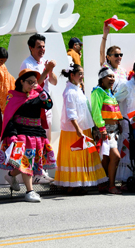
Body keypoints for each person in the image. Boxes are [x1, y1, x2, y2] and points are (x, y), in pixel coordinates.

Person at [0, 69, 56, 203]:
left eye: (34, 82)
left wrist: (41, 90)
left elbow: (48, 104)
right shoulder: (13, 97)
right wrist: (12, 135)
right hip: (21, 133)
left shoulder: (37, 95)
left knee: (31, 162)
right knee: (27, 162)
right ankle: (30, 191)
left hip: (36, 132)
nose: (32, 85)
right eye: (30, 82)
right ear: (21, 82)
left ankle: (11, 175)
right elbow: (8, 117)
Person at [54, 64, 107, 194]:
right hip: (74, 131)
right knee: (75, 156)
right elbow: (71, 112)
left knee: (83, 155)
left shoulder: (77, 89)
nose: (82, 76)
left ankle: (76, 184)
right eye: (80, 74)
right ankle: (72, 185)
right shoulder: (70, 92)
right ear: (72, 75)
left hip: (83, 128)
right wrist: (77, 128)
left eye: (82, 74)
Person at [21, 34, 57, 184]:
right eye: (38, 47)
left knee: (46, 140)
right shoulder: (27, 64)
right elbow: (33, 85)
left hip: (45, 105)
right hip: (34, 108)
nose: (42, 49)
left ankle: (42, 171)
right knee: (37, 141)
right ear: (31, 48)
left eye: (43, 46)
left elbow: (54, 82)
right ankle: (36, 173)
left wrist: (50, 69)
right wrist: (46, 70)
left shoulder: (44, 62)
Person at [91, 67, 124, 194]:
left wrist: (118, 123)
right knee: (115, 157)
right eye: (109, 77)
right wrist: (102, 129)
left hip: (113, 131)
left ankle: (105, 184)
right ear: (102, 79)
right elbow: (96, 112)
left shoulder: (109, 92)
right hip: (104, 131)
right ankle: (111, 185)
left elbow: (113, 111)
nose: (112, 79)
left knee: (107, 159)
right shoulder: (97, 92)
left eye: (113, 76)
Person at [99, 24, 127, 93]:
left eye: (120, 55)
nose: (119, 57)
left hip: (123, 102)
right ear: (108, 57)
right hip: (110, 100)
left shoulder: (124, 71)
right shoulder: (106, 67)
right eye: (116, 55)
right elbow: (102, 52)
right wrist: (105, 35)